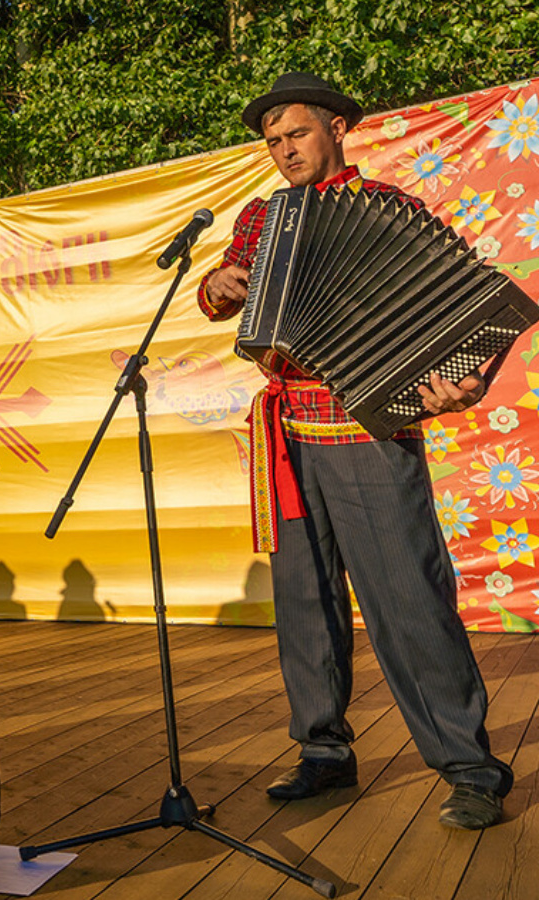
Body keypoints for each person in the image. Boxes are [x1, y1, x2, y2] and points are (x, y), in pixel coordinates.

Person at [198, 72, 514, 830]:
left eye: (296, 134)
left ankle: (470, 766)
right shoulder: (262, 218)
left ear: (338, 127)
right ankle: (323, 750)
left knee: (408, 600)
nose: (283, 151)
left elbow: (469, 306)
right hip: (286, 432)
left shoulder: (392, 211)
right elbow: (215, 298)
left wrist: (464, 382)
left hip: (371, 431)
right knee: (304, 605)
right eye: (272, 141)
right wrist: (221, 280)